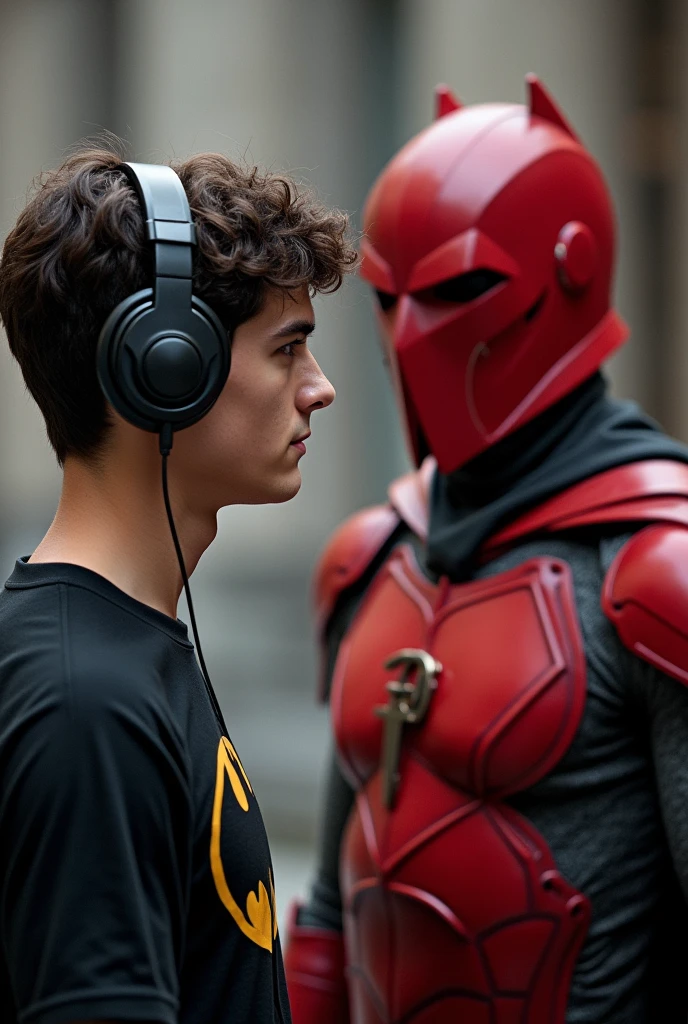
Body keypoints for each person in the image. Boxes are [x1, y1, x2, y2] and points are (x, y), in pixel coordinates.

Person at [285, 76, 688, 1024]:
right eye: (392, 297)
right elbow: (332, 915)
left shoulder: (657, 572)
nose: (416, 332)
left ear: (571, 271)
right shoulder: (372, 556)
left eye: (459, 289)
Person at [0, 148, 356, 1024]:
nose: (322, 389)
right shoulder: (87, 705)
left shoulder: (125, 652)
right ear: (166, 369)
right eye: (289, 348)